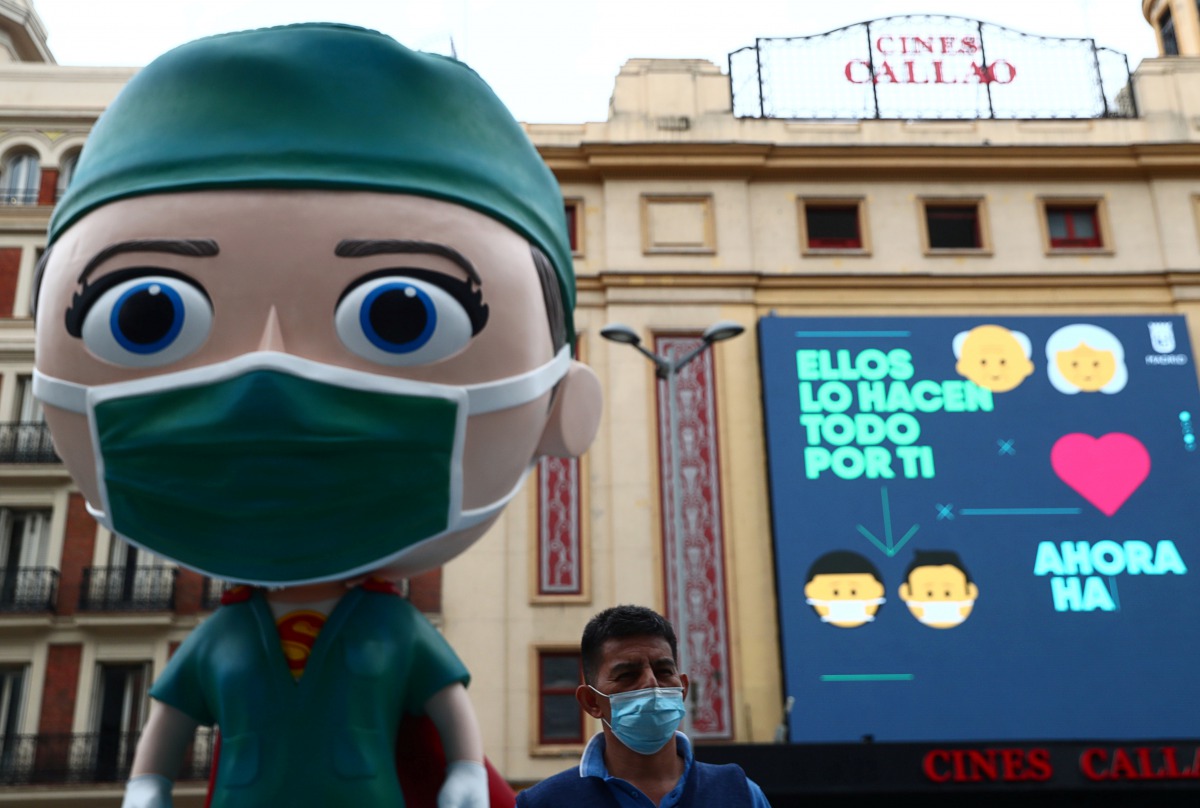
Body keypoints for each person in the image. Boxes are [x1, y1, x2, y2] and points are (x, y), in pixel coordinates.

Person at [32, 23, 603, 808]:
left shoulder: (390, 634)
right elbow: (164, 738)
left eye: (402, 314)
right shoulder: (227, 637)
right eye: (144, 313)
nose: (266, 378)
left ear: (562, 410)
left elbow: (447, 724)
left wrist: (466, 773)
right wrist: (148, 786)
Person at [516, 605, 771, 807]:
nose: (651, 684)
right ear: (592, 702)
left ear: (682, 689)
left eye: (663, 671)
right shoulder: (547, 802)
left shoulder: (740, 794)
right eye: (627, 674)